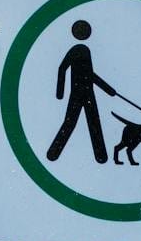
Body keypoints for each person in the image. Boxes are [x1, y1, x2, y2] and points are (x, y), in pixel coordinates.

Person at [46, 19, 117, 163]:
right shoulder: (77, 50)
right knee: (72, 122)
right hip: (78, 93)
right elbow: (62, 68)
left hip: (87, 92)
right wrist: (60, 93)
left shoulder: (85, 50)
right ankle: (53, 153)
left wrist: (109, 90)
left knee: (93, 122)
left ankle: (101, 156)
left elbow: (90, 74)